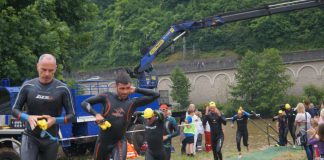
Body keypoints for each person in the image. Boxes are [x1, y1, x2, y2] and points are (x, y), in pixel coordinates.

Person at [81, 71, 160, 160]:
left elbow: (156, 95)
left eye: (127, 88)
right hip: (103, 142)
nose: (125, 91)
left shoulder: (133, 103)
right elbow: (84, 103)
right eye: (122, 88)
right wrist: (96, 114)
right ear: (116, 86)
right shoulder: (107, 97)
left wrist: (136, 89)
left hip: (119, 141)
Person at [12, 53, 76, 160]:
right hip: (30, 136)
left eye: (51, 70)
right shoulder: (28, 86)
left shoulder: (62, 89)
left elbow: (72, 116)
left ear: (55, 69)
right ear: (37, 66)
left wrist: (55, 120)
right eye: (43, 69)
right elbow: (14, 110)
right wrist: (28, 117)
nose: (47, 74)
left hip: (51, 138)